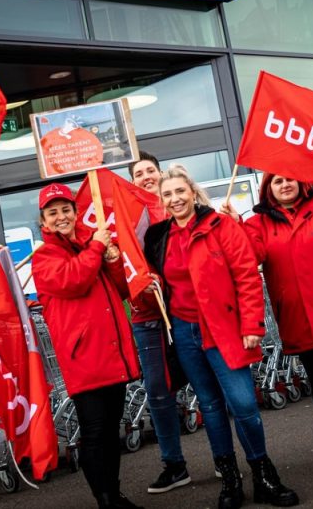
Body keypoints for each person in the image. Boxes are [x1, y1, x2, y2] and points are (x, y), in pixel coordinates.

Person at [144, 166, 299, 509]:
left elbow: (246, 275)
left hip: (225, 328)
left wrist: (252, 327)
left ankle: (264, 475)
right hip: (185, 331)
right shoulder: (159, 237)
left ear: (193, 193)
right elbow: (157, 279)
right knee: (211, 407)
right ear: (162, 200)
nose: (175, 199)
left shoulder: (220, 226)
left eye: (180, 191)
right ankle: (230, 480)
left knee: (243, 403)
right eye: (167, 194)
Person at [222, 172, 313, 470]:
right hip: (296, 315)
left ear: (303, 182)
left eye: (290, 179)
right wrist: (235, 225)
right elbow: (251, 256)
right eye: (277, 181)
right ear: (268, 189)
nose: (285, 184)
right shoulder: (257, 224)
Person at [30, 183, 142, 509]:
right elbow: (72, 281)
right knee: (95, 433)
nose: (61, 216)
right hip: (85, 359)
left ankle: (114, 494)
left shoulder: (87, 247)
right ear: (44, 223)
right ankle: (105, 500)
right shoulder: (45, 256)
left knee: (110, 433)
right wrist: (96, 249)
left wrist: (112, 259)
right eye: (53, 213)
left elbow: (121, 289)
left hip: (111, 355)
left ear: (76, 213)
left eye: (66, 210)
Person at [126, 152, 192, 494]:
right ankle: (174, 464)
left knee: (206, 384)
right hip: (148, 317)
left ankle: (229, 459)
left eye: (151, 170)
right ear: (132, 181)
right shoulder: (126, 217)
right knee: (158, 392)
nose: (146, 176)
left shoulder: (176, 204)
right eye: (139, 173)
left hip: (184, 312)